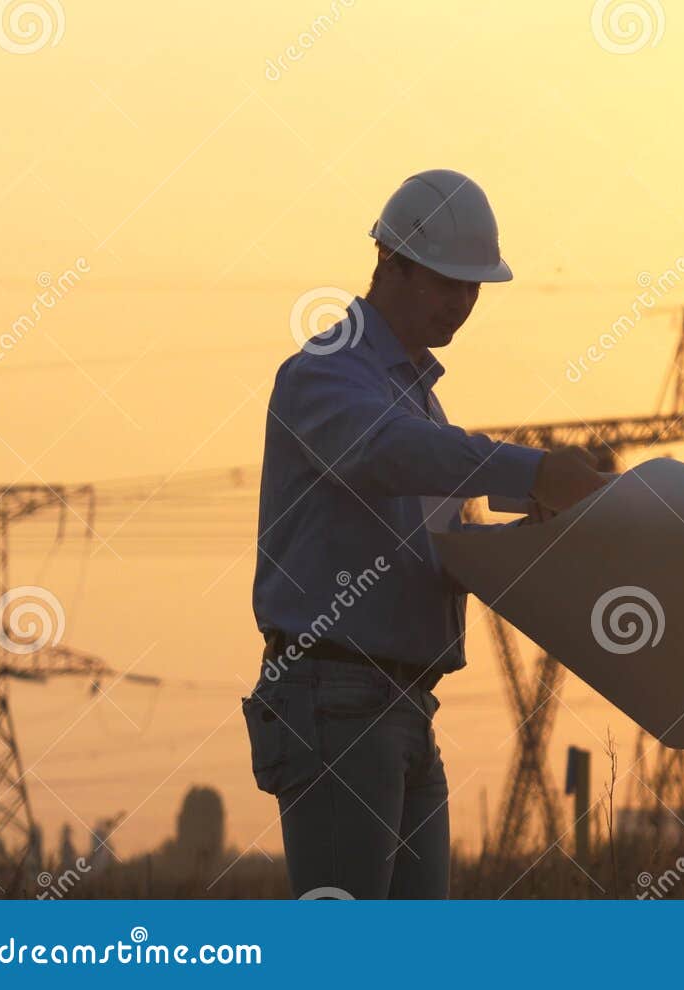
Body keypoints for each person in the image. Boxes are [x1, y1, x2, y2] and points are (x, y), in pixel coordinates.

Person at [245, 169, 605, 899]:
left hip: (401, 701)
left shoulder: (414, 397)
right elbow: (389, 452)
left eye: (473, 289)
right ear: (390, 264)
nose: (462, 304)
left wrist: (531, 531)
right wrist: (533, 473)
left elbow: (430, 527)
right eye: (448, 284)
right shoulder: (324, 374)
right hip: (338, 693)